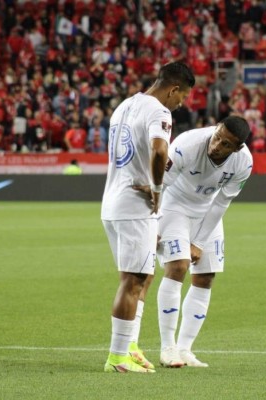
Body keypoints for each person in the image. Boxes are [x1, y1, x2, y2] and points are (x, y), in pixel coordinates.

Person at [100, 61, 195, 373]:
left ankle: (129, 344)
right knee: (133, 280)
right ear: (173, 89)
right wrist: (156, 188)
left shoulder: (125, 105)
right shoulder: (159, 111)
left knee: (143, 274)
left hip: (113, 201)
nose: (179, 105)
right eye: (180, 99)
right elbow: (158, 150)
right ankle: (117, 358)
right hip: (135, 205)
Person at [143, 116, 252, 368]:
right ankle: (167, 348)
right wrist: (154, 223)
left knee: (206, 276)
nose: (217, 145)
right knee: (178, 266)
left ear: (236, 148)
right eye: (217, 137)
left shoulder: (244, 162)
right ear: (215, 129)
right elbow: (161, 184)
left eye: (226, 144)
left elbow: (222, 202)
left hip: (207, 211)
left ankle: (185, 349)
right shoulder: (187, 144)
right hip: (175, 206)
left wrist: (200, 242)